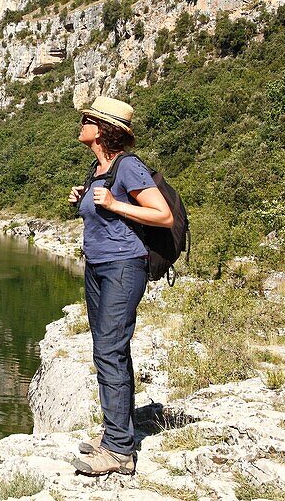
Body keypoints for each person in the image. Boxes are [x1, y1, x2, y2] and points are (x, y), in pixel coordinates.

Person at [66, 95, 173, 477]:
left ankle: (118, 452)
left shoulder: (128, 167)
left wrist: (113, 204)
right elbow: (101, 212)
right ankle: (117, 433)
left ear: (103, 130)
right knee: (108, 349)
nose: (81, 124)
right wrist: (84, 200)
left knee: (110, 350)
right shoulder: (97, 169)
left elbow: (161, 214)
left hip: (124, 267)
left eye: (87, 120)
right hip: (97, 267)